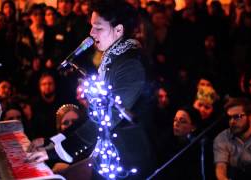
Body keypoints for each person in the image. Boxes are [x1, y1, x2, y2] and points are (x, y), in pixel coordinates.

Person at [27, 0, 155, 179]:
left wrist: (58, 151)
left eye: (98, 28)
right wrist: (53, 141)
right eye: (91, 26)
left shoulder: (130, 65)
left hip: (126, 164)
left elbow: (107, 118)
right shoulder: (114, 59)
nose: (91, 33)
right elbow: (95, 115)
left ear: (118, 30)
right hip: (109, 158)